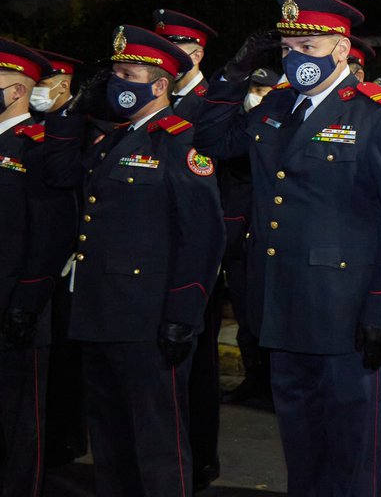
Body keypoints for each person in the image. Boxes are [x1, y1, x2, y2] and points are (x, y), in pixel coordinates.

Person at [191, 0, 381, 496]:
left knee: (350, 458)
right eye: (288, 47)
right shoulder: (276, 106)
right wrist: (235, 72)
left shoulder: (379, 114)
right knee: (300, 451)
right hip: (282, 308)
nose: (297, 58)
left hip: (348, 317)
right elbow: (210, 138)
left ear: (342, 50)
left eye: (310, 46)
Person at [40, 25, 225, 497]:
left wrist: (183, 316)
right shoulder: (110, 140)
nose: (118, 83)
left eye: (129, 74)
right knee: (111, 443)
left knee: (157, 446)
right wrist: (67, 113)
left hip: (148, 320)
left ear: (159, 84)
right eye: (115, 74)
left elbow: (202, 238)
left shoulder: (180, 141)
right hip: (99, 312)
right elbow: (60, 176)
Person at [152, 7, 225, 489]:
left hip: (197, 252)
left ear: (195, 54)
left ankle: (198, 458)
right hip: (153, 256)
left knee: (196, 364)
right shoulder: (149, 99)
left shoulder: (213, 96)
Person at [0, 40, 74, 497]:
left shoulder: (39, 146)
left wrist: (28, 300)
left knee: (17, 420)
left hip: (16, 303)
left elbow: (50, 235)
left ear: (14, 91)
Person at [27, 50, 91, 469]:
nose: (36, 93)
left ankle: (66, 439)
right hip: (40, 253)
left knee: (66, 356)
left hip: (69, 258)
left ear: (64, 85)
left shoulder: (80, 127)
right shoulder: (32, 128)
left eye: (43, 83)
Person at [219, 67, 279, 409]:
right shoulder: (238, 128)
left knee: (267, 310)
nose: (261, 95)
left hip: (266, 236)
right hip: (238, 237)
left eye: (268, 90)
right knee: (244, 312)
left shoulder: (271, 128)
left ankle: (272, 381)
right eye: (256, 88)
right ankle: (254, 378)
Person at [154, 8, 217, 119]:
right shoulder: (155, 96)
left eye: (174, 52)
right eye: (162, 51)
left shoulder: (212, 104)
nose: (165, 59)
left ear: (196, 56)